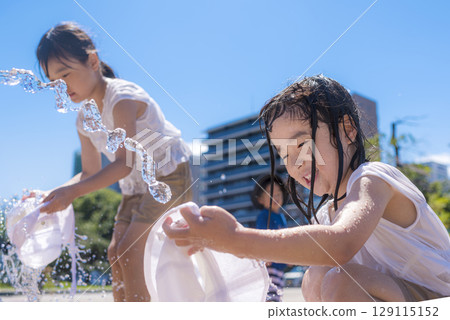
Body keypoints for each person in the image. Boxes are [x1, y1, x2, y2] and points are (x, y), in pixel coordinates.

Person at [164, 75, 450, 302]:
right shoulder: (326, 214)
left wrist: (236, 239)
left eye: (301, 144)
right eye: (284, 155)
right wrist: (215, 244)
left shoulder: (372, 179)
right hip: (402, 299)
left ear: (348, 130)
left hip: (438, 300)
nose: (295, 163)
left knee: (339, 278)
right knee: (315, 277)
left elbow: (340, 244)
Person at [35, 22, 192, 301]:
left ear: (92, 61)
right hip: (135, 188)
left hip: (168, 176)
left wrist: (72, 193)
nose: (60, 86)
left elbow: (124, 163)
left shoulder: (122, 97)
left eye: (65, 74)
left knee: (131, 249)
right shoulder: (84, 119)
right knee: (115, 253)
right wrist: (53, 195)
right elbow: (89, 173)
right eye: (52, 81)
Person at [251, 174, 289, 302]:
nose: (276, 197)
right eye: (271, 194)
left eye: (278, 194)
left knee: (277, 295)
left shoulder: (281, 217)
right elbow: (262, 236)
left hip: (279, 265)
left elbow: (285, 240)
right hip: (270, 264)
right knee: (270, 296)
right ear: (261, 199)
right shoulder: (264, 215)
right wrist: (264, 253)